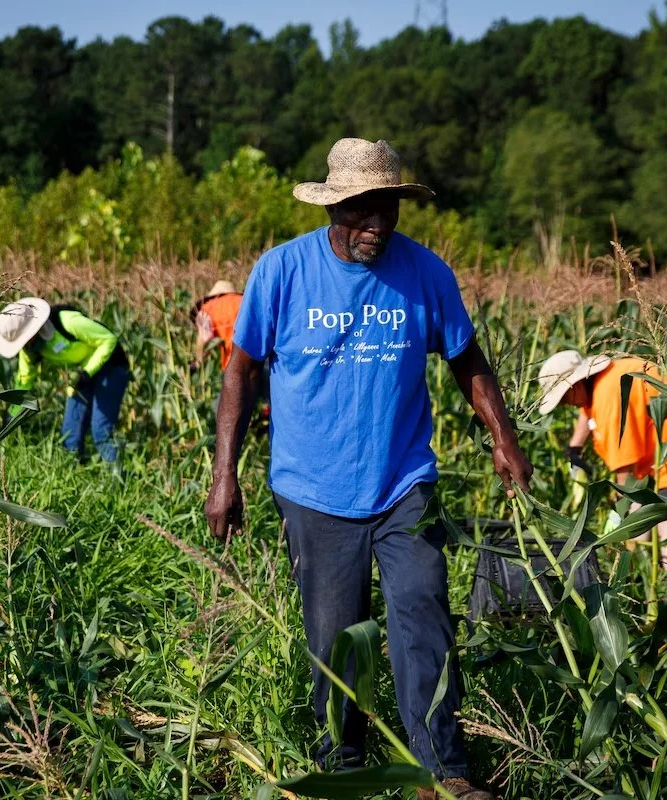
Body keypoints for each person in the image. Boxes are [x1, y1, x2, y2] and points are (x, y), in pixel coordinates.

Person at [204, 138, 533, 800]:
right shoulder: (282, 272)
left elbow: (466, 360)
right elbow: (239, 373)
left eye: (387, 209)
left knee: (424, 618)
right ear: (333, 207)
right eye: (361, 211)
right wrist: (225, 474)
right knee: (337, 637)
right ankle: (345, 768)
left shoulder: (427, 274)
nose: (376, 225)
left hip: (405, 482)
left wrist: (504, 437)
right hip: (314, 489)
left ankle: (443, 772)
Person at [537, 350, 667, 574]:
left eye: (564, 398)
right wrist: (575, 448)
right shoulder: (601, 381)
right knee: (642, 512)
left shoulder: (609, 397)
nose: (566, 405)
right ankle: (640, 572)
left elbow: (625, 466)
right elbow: (586, 410)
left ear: (576, 384)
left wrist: (621, 505)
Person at [0, 297, 129, 465]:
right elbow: (24, 382)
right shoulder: (29, 351)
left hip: (111, 367)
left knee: (100, 432)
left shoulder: (68, 322)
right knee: (69, 433)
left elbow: (109, 339)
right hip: (80, 375)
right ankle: (75, 478)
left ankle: (117, 479)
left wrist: (88, 372)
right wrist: (11, 417)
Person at [191, 279, 242, 371]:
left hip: (229, 367)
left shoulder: (206, 309)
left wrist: (198, 362)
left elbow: (203, 340)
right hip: (255, 364)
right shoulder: (244, 303)